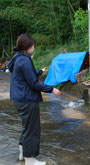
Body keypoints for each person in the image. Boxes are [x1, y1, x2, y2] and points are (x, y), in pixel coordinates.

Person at [8, 33, 61, 165]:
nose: (34, 47)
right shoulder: (25, 60)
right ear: (29, 46)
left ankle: (22, 152)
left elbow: (25, 74)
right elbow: (34, 83)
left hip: (19, 99)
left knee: (27, 127)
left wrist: (39, 71)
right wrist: (51, 89)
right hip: (27, 99)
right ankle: (30, 160)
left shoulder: (17, 58)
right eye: (33, 45)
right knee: (32, 129)